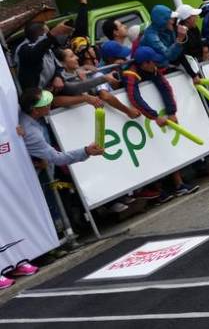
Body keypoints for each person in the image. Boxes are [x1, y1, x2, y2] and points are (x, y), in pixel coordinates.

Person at [5, 87, 105, 288]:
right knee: (43, 211)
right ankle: (45, 250)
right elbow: (58, 158)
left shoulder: (23, 117)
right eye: (45, 104)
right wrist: (86, 151)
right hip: (34, 178)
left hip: (38, 170)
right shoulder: (32, 132)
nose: (49, 105)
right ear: (35, 110)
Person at [122, 47, 198, 200]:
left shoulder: (152, 69)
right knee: (150, 154)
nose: (156, 65)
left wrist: (171, 112)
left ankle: (178, 185)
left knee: (164, 146)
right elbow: (134, 98)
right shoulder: (129, 74)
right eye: (153, 62)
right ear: (144, 64)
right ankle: (158, 191)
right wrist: (154, 116)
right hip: (132, 122)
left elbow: (165, 87)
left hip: (151, 119)